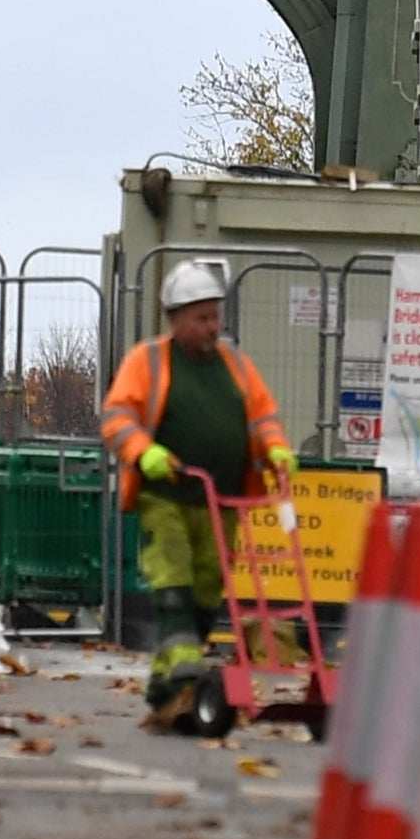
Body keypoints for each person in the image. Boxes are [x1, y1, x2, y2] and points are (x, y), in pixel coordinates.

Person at [99, 256, 294, 734]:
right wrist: (144, 452)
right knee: (173, 572)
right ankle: (187, 664)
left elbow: (263, 417)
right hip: (165, 494)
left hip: (222, 498)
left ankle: (170, 689)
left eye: (215, 315)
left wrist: (277, 450)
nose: (212, 326)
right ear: (176, 319)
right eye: (202, 317)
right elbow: (116, 417)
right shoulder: (147, 362)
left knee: (209, 585)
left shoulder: (236, 365)